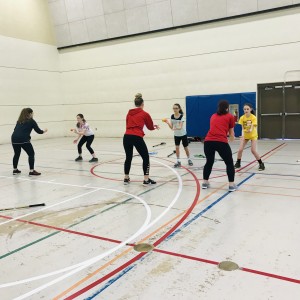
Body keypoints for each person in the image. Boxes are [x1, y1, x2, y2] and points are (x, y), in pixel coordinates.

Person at [123, 93, 160, 185]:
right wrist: (155, 127)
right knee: (145, 157)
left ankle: (126, 177)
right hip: (136, 137)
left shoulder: (129, 113)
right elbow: (150, 127)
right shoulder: (145, 114)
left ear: (135, 104)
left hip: (126, 136)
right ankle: (146, 179)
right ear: (142, 104)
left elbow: (128, 124)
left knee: (128, 157)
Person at [202, 100, 237, 192]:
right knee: (229, 162)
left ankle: (205, 182)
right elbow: (231, 132)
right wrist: (232, 139)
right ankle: (231, 185)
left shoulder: (213, 116)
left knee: (209, 162)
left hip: (208, 142)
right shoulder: (230, 116)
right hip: (221, 142)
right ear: (227, 108)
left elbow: (215, 127)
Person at [11, 108, 48, 176]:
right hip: (23, 139)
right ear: (30, 113)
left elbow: (15, 130)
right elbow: (38, 131)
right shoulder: (31, 121)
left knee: (16, 154)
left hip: (14, 139)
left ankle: (15, 170)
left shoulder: (19, 121)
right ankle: (31, 171)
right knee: (31, 154)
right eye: (32, 113)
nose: (33, 114)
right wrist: (44, 131)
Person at [234, 103, 265, 171]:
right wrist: (242, 135)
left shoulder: (253, 117)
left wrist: (250, 130)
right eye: (245, 109)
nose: (246, 110)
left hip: (253, 135)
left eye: (247, 109)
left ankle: (261, 164)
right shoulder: (242, 118)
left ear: (250, 109)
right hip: (245, 136)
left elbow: (252, 127)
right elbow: (242, 128)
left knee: (253, 150)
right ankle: (238, 163)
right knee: (240, 150)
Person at [163, 103, 193, 167]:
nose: (175, 109)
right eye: (174, 108)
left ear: (179, 109)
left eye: (176, 108)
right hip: (176, 135)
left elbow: (180, 127)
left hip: (183, 134)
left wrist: (175, 128)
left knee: (185, 148)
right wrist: (167, 122)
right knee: (177, 148)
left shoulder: (182, 117)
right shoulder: (172, 116)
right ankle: (178, 161)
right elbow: (171, 127)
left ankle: (189, 159)